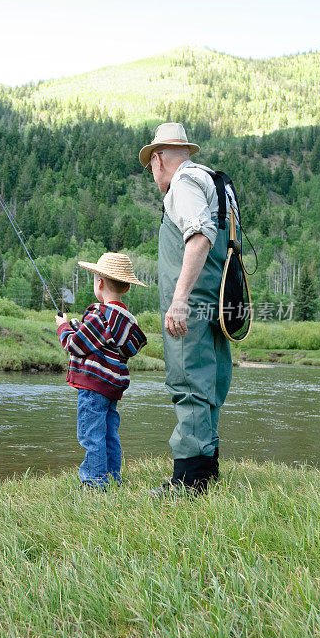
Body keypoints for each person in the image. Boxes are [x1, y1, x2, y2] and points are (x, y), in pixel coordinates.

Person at [139, 122, 236, 494]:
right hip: (216, 303)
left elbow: (199, 237)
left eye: (151, 165)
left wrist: (179, 301)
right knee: (210, 382)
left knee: (188, 382)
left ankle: (189, 481)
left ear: (159, 159)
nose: (153, 173)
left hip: (192, 303)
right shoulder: (214, 182)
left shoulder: (183, 183)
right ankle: (206, 470)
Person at [56, 253, 147, 489]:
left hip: (93, 386)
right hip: (111, 388)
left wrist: (63, 327)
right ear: (126, 287)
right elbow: (107, 344)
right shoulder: (126, 321)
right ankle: (112, 477)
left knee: (90, 434)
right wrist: (79, 327)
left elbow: (74, 344)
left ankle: (94, 482)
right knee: (108, 435)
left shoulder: (101, 315)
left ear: (100, 283)